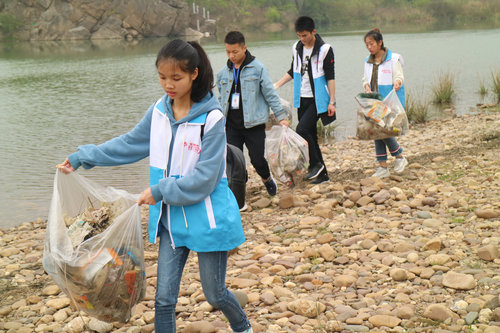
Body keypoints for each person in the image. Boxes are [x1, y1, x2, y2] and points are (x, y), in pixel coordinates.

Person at [56, 40, 253, 333]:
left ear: (194, 74)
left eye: (176, 78)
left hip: (208, 220)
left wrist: (159, 191)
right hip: (171, 221)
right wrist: (82, 157)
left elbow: (206, 179)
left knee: (215, 294)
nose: (168, 85)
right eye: (162, 77)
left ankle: (242, 326)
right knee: (163, 299)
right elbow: (128, 144)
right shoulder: (159, 112)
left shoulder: (211, 120)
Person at [217, 31, 289, 197]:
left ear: (244, 48)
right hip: (231, 125)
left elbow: (270, 93)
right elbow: (221, 99)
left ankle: (266, 178)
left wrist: (281, 116)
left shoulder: (258, 68)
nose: (231, 56)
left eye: (235, 52)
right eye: (228, 52)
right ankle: (239, 190)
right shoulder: (223, 73)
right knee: (234, 161)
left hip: (253, 124)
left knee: (257, 160)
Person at [274, 16, 336, 185]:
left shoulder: (324, 49)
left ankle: (316, 165)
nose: (302, 39)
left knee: (301, 129)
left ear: (313, 32)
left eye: (305, 35)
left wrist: (332, 101)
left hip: (319, 100)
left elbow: (330, 77)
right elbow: (293, 70)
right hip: (302, 99)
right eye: (299, 35)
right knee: (311, 136)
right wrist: (276, 85)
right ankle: (323, 175)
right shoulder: (297, 48)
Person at [362, 28, 408, 178]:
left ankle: (399, 157)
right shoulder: (368, 62)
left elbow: (399, 76)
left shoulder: (393, 59)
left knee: (383, 130)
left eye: (371, 44)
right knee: (378, 132)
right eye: (367, 44)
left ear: (380, 42)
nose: (369, 47)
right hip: (375, 101)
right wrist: (366, 86)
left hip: (390, 100)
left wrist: (397, 82)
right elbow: (365, 79)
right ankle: (384, 166)